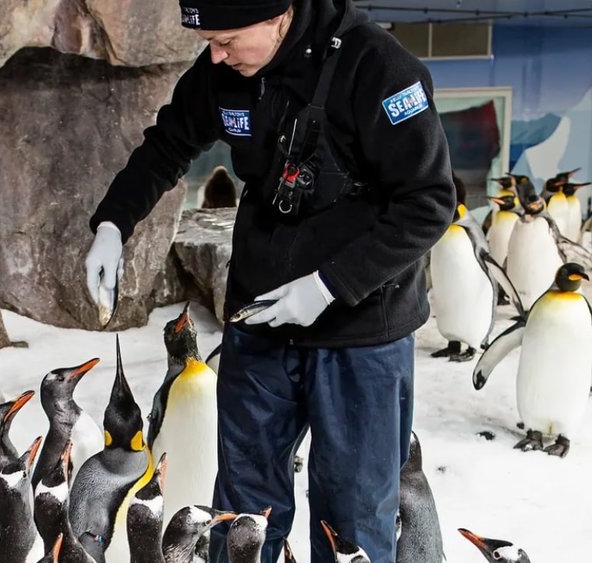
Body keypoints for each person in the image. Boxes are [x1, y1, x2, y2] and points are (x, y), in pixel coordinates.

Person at [83, 0, 455, 562]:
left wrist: (329, 285)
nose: (215, 54)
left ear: (278, 15)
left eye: (228, 39)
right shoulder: (225, 71)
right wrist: (113, 223)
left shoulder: (378, 69)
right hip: (262, 319)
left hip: (361, 331)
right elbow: (166, 146)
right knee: (242, 506)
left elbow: (429, 203)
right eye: (209, 39)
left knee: (351, 513)